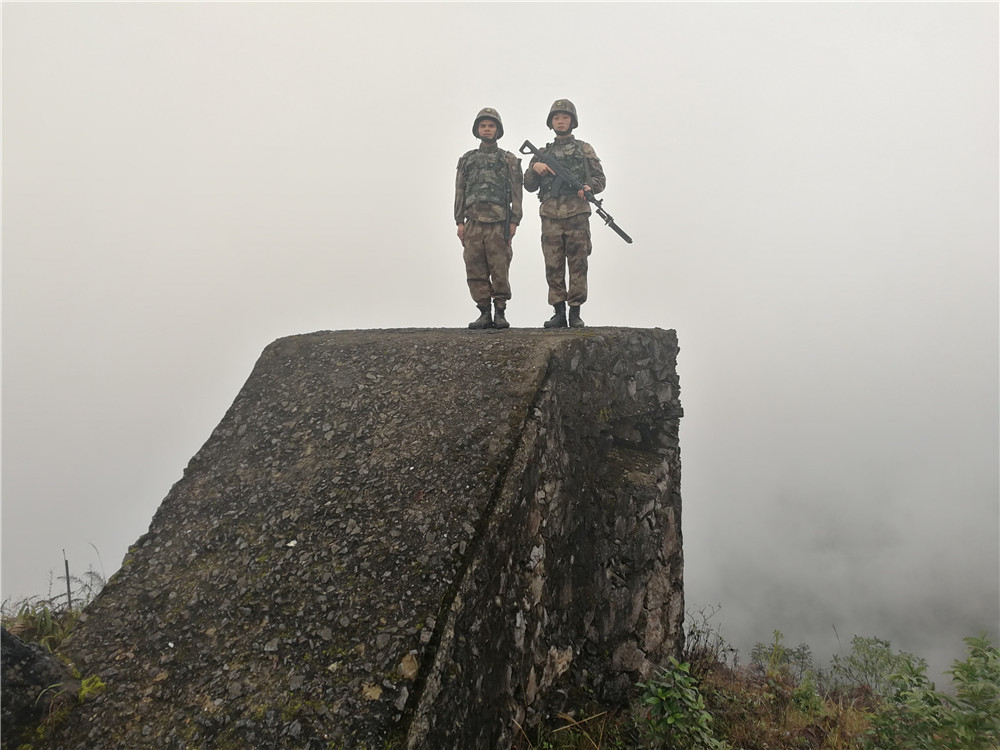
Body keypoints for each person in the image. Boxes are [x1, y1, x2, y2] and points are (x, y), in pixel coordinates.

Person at [523, 99, 606, 329]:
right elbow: (528, 185)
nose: (561, 121)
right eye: (556, 118)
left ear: (573, 121)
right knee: (553, 264)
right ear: (551, 123)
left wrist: (589, 188)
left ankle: (575, 312)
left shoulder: (584, 149)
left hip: (577, 213)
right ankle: (558, 312)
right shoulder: (542, 153)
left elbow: (600, 180)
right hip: (550, 216)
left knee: (578, 263)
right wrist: (534, 168)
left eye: (565, 117)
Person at [454, 107, 523, 329]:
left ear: (498, 130)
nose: (487, 129)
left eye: (491, 126)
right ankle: (484, 311)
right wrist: (459, 221)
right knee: (474, 267)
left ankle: (500, 311)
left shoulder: (508, 159)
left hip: (498, 222)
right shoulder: (467, 159)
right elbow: (460, 191)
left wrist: (514, 221)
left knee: (499, 267)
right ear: (477, 130)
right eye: (483, 126)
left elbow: (516, 193)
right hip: (473, 221)